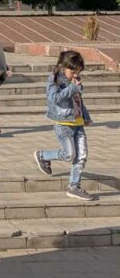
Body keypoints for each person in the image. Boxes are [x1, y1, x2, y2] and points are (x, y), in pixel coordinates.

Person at [34, 50, 96, 201]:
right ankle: (42, 155)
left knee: (82, 155)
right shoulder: (55, 80)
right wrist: (72, 89)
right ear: (63, 66)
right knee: (69, 155)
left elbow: (78, 101)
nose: (75, 75)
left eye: (78, 72)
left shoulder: (73, 81)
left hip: (78, 123)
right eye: (72, 71)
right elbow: (54, 98)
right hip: (63, 124)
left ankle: (74, 186)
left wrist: (85, 117)